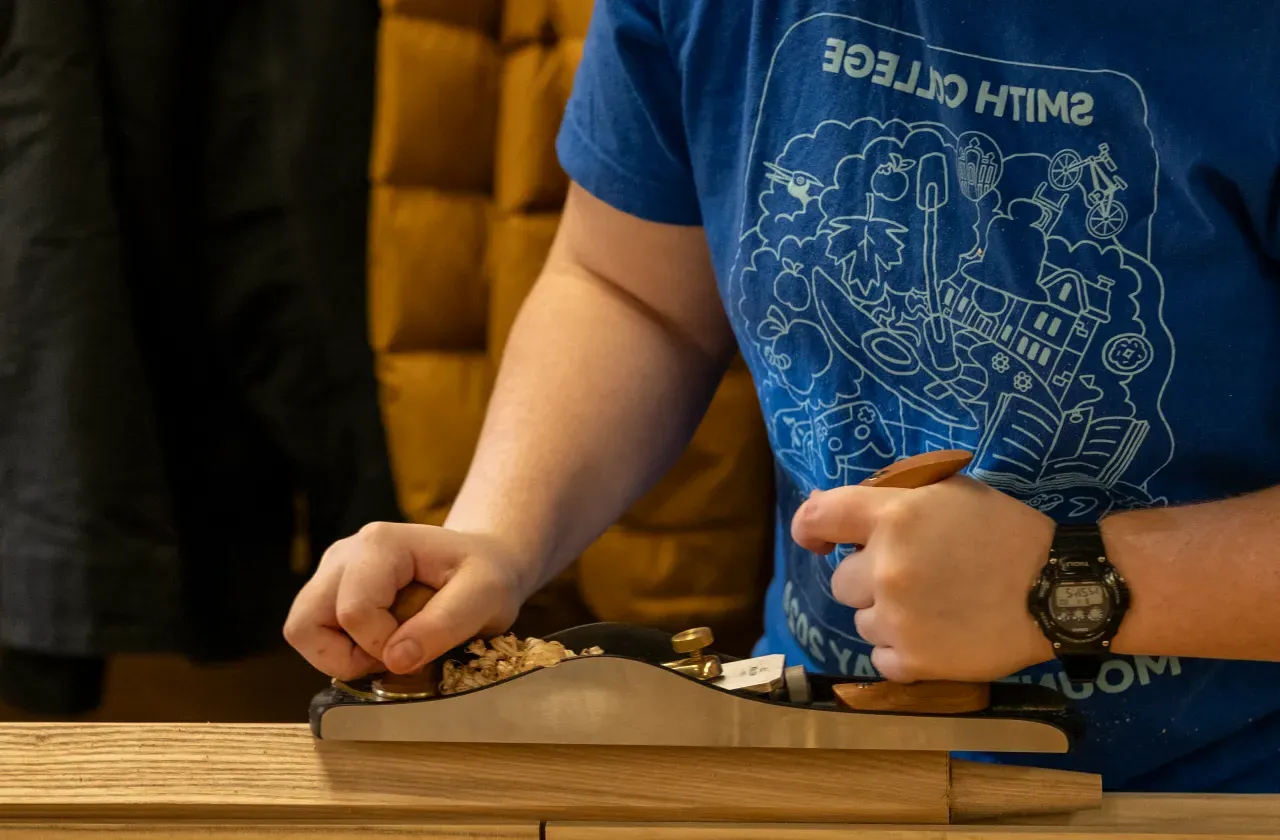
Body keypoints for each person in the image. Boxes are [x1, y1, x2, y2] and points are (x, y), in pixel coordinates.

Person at [284, 1, 1280, 792]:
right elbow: (629, 288)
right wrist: (500, 536)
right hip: (823, 748)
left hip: (1214, 787)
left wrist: (1077, 583)